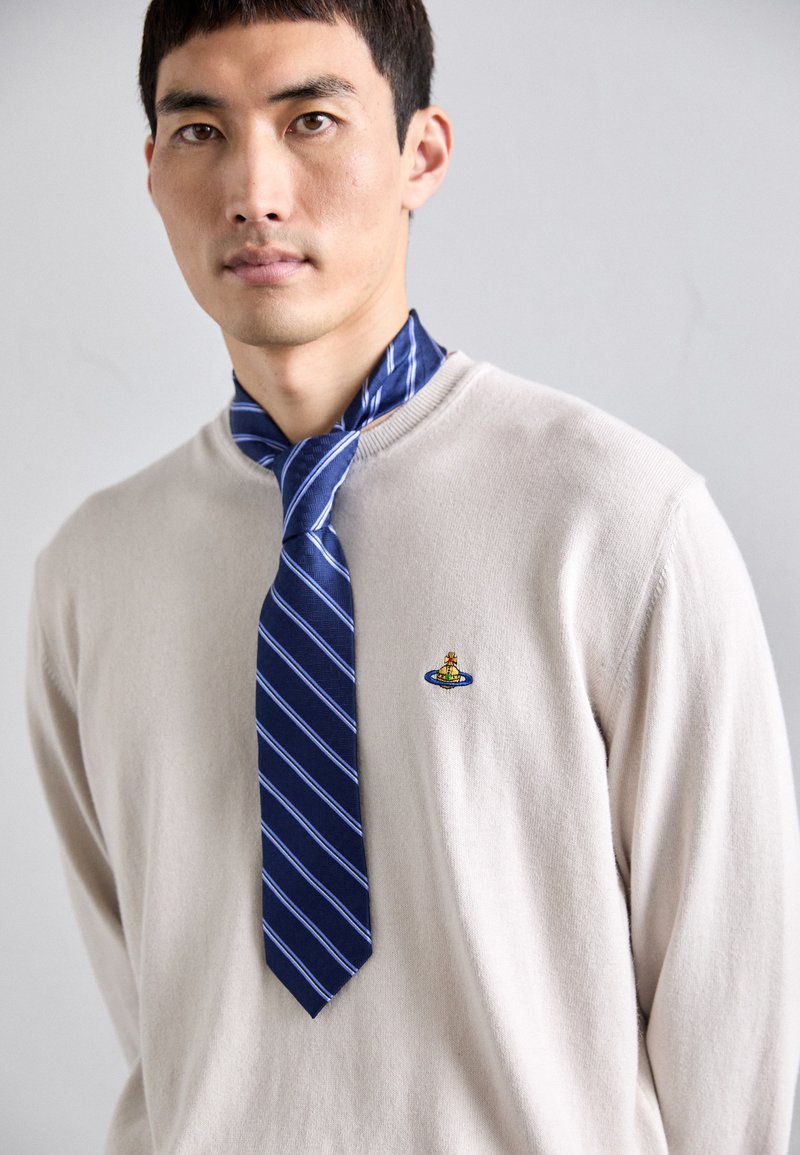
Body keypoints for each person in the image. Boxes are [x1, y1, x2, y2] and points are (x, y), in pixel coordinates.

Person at [25, 0, 800, 1152]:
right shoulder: (93, 573)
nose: (253, 191)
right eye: (200, 131)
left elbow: (731, 1022)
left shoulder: (614, 523)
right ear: (151, 169)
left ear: (419, 155)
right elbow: (157, 1015)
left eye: (311, 121)